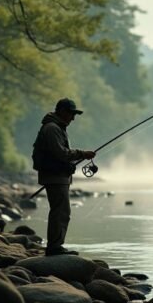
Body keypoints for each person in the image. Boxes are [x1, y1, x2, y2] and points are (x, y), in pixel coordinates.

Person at [32, 98, 95, 256]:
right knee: (60, 212)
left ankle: (56, 245)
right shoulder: (52, 128)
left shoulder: (56, 127)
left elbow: (60, 154)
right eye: (70, 113)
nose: (73, 118)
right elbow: (61, 153)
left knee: (61, 211)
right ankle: (54, 248)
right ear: (61, 111)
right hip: (55, 177)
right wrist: (82, 154)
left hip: (57, 176)